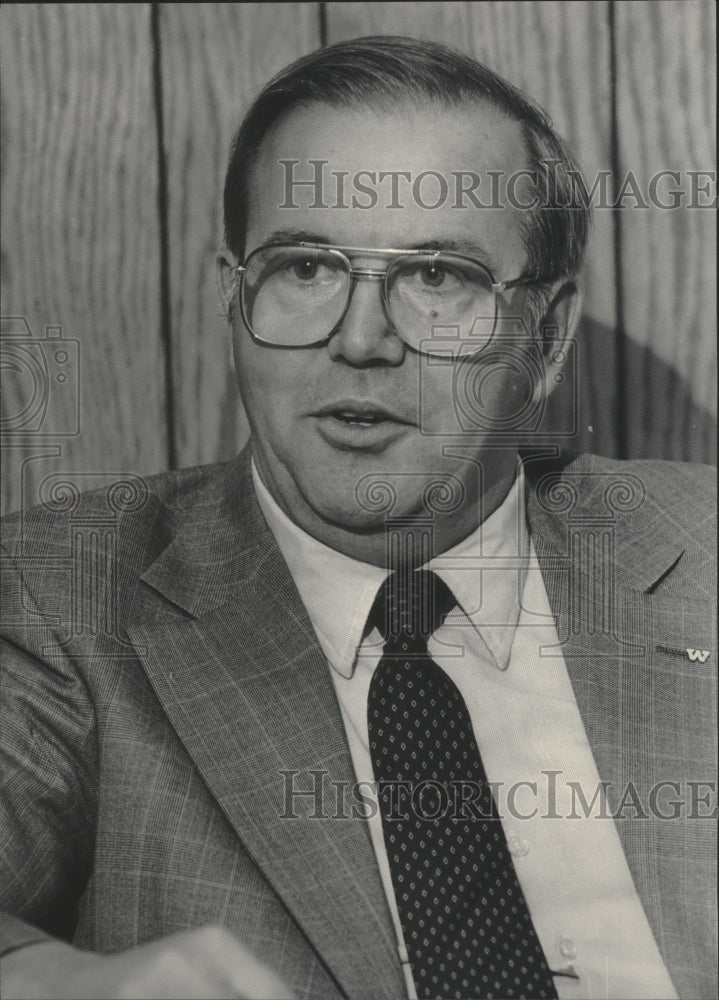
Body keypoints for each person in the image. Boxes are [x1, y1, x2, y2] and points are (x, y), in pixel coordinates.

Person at [1, 35, 715, 1000]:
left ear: (542, 341)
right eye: (305, 268)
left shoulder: (697, 548)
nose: (361, 339)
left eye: (436, 278)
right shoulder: (64, 593)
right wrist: (45, 981)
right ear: (232, 296)